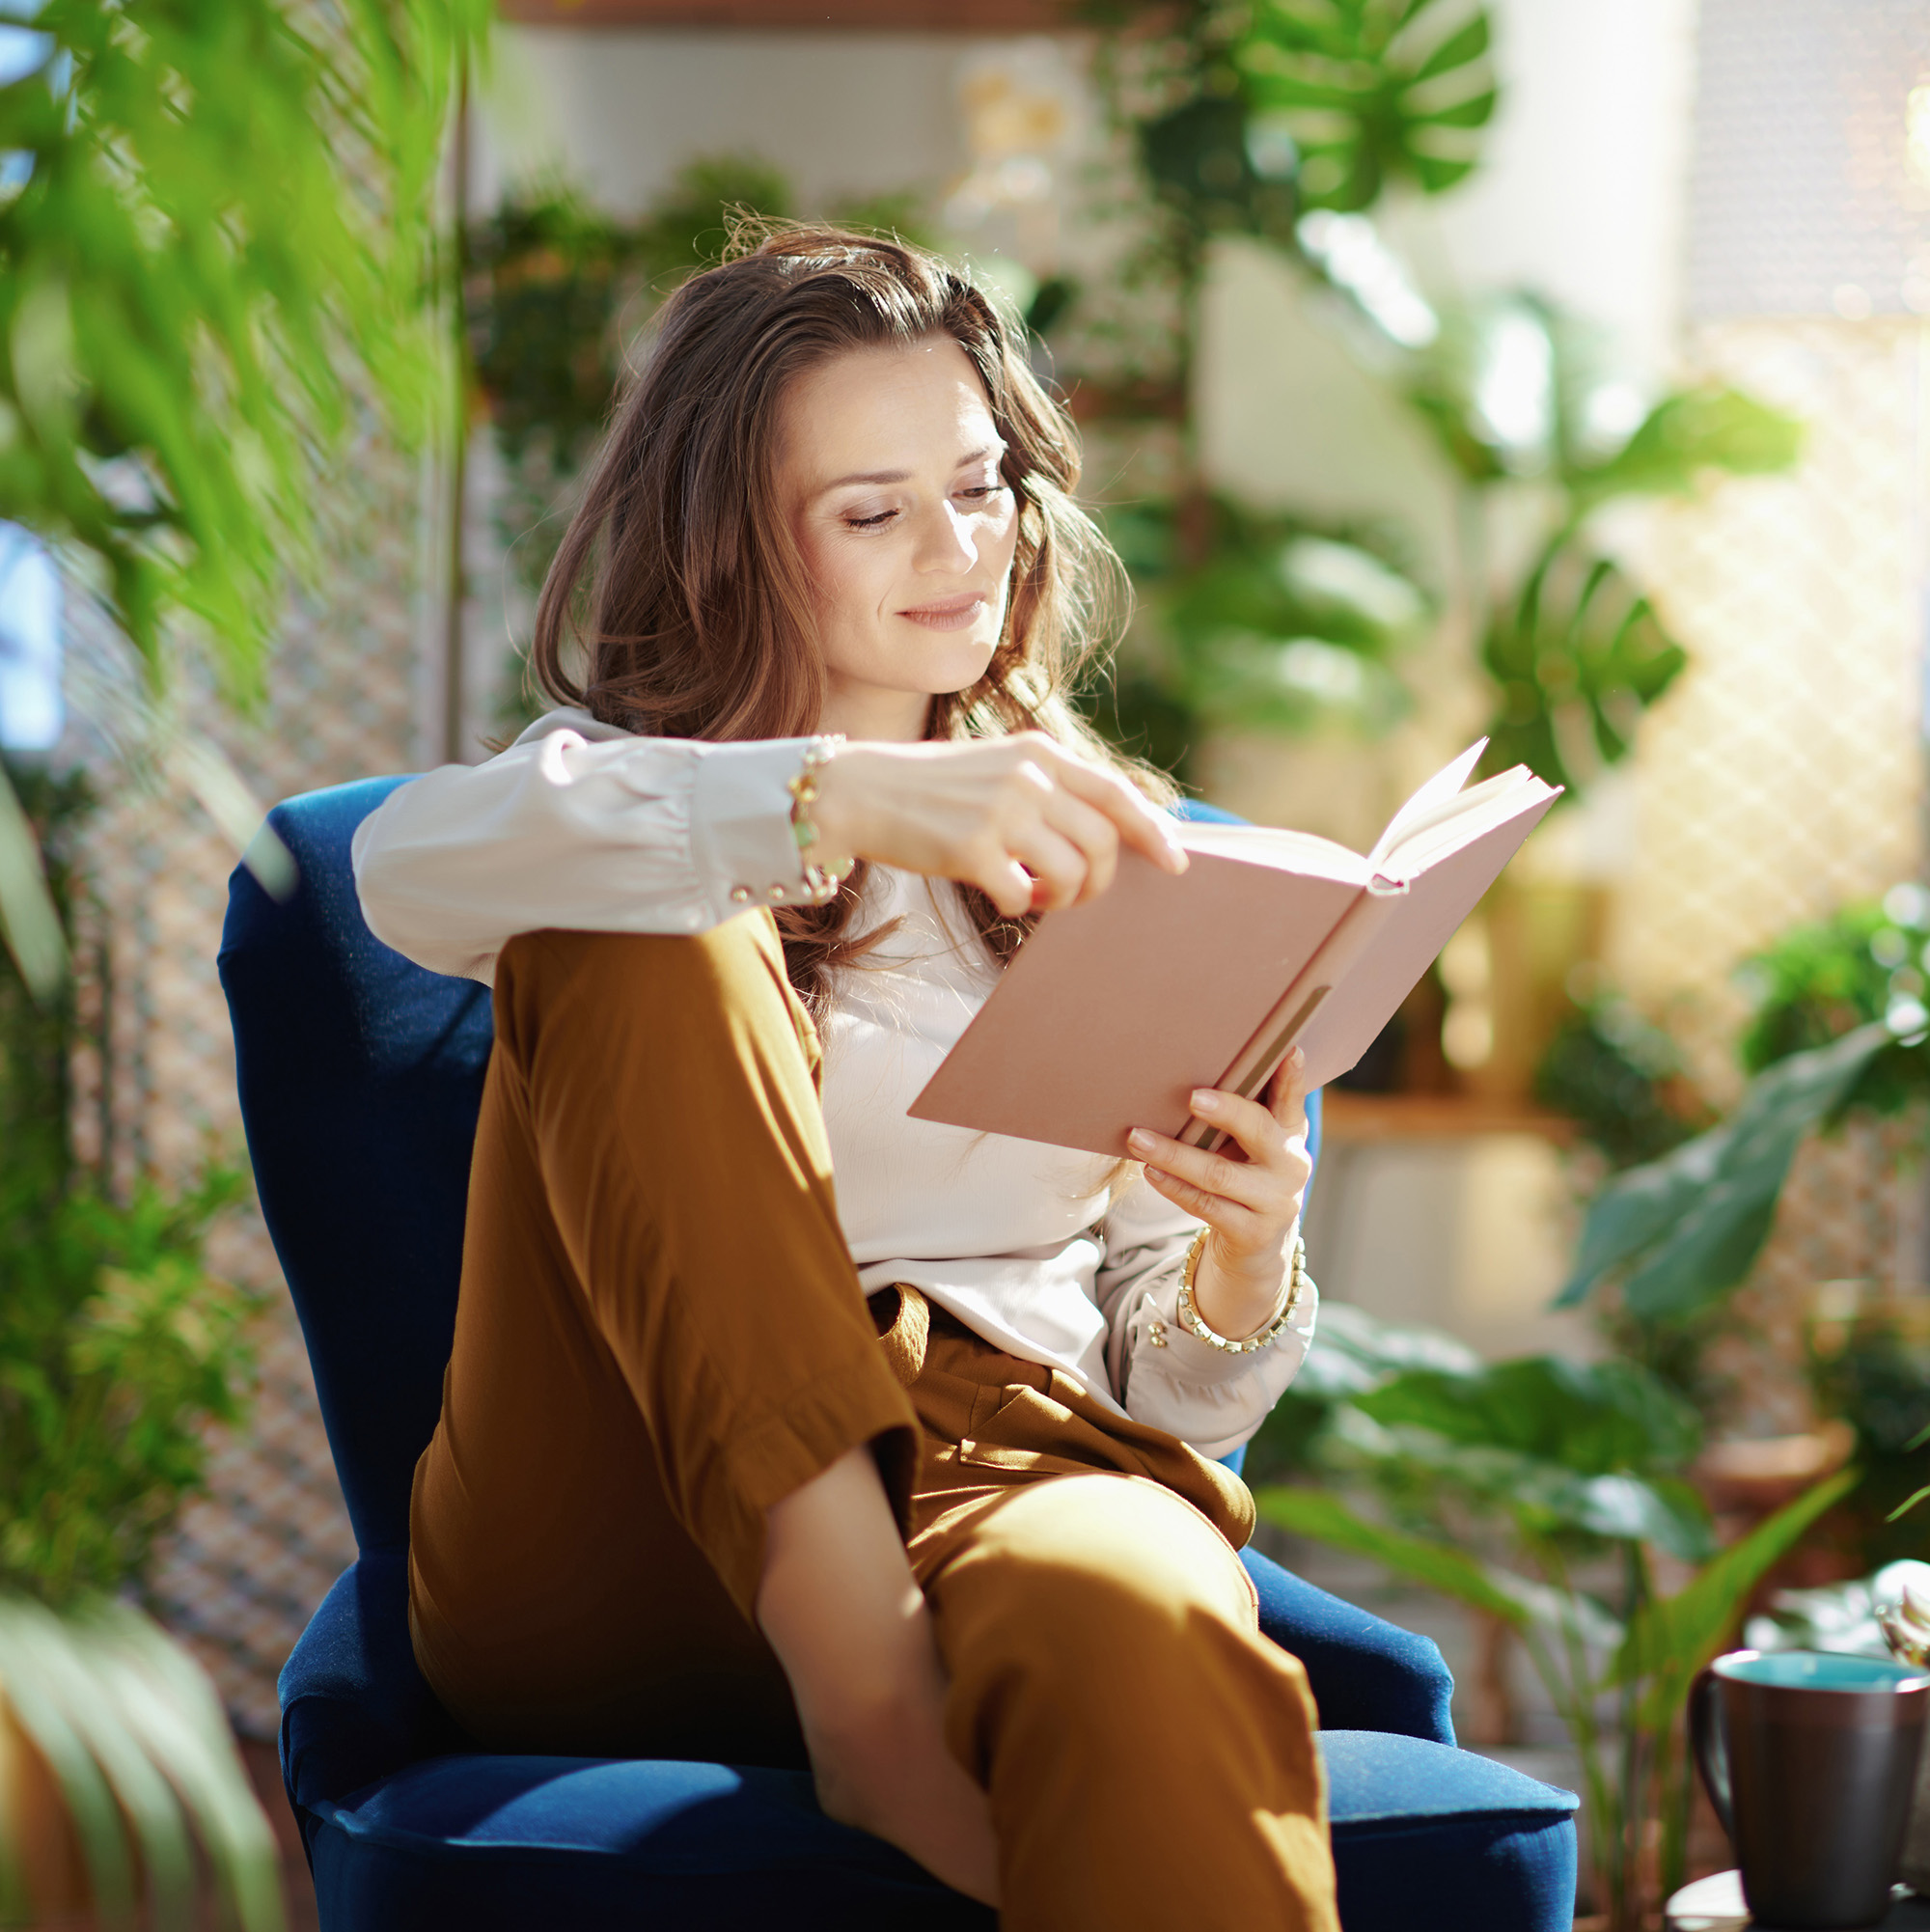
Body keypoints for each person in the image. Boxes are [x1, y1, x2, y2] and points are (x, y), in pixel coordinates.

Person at [352, 223, 1335, 1932]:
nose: (961, 549)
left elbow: (1168, 1395)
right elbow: (394, 871)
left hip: (1002, 1467)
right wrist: (830, 803)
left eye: (979, 483)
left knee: (1144, 1611)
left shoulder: (1104, 842)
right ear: (740, 549)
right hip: (620, 1517)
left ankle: (916, 1664)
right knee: (642, 919)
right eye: (874, 511)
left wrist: (1244, 1261)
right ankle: (868, 1700)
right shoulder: (629, 801)